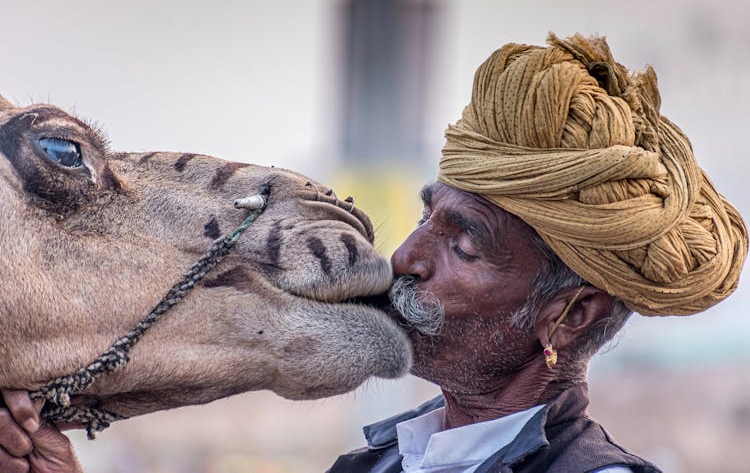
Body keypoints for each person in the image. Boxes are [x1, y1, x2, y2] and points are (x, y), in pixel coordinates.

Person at [1, 33, 746, 472]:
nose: (407, 256)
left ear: (568, 315)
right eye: (429, 218)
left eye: (464, 244)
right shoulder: (381, 462)